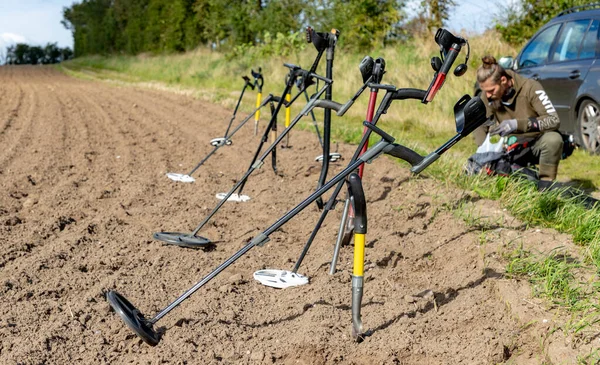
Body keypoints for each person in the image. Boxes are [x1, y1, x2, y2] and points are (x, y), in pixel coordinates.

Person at [473, 55, 563, 182]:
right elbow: (480, 124)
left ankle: (545, 184)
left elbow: (554, 120)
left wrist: (517, 124)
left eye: (491, 90)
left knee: (553, 139)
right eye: (485, 91)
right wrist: (483, 152)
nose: (487, 95)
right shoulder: (488, 95)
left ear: (503, 80)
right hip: (511, 147)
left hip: (535, 142)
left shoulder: (531, 87)